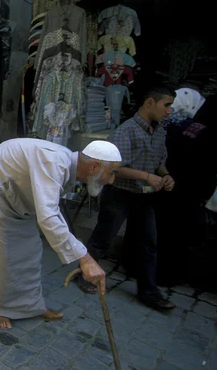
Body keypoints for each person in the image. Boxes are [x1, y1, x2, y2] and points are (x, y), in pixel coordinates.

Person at [0, 139, 121, 329]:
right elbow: (49, 217)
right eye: (111, 173)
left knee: (30, 250)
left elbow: (49, 210)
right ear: (94, 166)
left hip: (16, 193)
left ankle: (31, 307)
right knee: (0, 252)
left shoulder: (63, 163)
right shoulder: (55, 163)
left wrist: (81, 254)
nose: (111, 180)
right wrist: (85, 259)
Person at [77, 86, 176, 311]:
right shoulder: (127, 130)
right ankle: (83, 273)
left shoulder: (159, 130)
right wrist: (146, 176)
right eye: (166, 105)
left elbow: (159, 160)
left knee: (148, 243)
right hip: (120, 192)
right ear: (150, 102)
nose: (169, 111)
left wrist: (165, 175)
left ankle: (149, 291)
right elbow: (114, 168)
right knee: (103, 237)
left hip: (145, 195)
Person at [155, 89, 217, 287]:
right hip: (188, 192)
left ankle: (156, 272)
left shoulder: (183, 126)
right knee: (178, 236)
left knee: (164, 231)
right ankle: (168, 276)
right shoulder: (206, 132)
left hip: (171, 186)